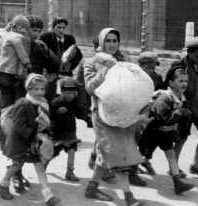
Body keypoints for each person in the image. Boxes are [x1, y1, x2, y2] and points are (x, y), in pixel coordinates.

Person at [83, 28, 146, 206]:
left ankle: (92, 187)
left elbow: (135, 83)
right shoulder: (91, 61)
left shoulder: (125, 59)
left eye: (115, 41)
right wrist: (104, 70)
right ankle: (128, 197)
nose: (112, 44)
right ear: (102, 42)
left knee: (107, 152)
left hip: (123, 113)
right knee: (117, 153)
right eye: (108, 41)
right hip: (102, 114)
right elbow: (89, 88)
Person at [0, 73, 63, 206]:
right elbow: (19, 127)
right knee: (17, 165)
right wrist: (36, 135)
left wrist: (44, 132)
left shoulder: (42, 104)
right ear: (28, 89)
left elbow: (43, 123)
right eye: (36, 89)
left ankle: (48, 196)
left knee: (39, 167)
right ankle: (3, 185)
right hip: (19, 142)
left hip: (32, 142)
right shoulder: (22, 104)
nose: (40, 92)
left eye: (42, 89)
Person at [138, 66, 195, 194]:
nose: (184, 84)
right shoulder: (165, 98)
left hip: (166, 133)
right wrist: (180, 113)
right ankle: (130, 172)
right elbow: (164, 118)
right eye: (180, 81)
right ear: (171, 83)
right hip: (153, 131)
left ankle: (177, 183)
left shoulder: (181, 98)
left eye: (186, 81)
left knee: (171, 155)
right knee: (141, 152)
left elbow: (175, 119)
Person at [170, 36, 198, 180]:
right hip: (185, 108)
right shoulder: (179, 64)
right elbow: (169, 83)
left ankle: (196, 164)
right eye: (196, 55)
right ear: (188, 52)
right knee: (181, 138)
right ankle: (174, 167)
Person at [133, 52, 164, 176]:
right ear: (140, 65)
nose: (152, 70)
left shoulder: (157, 77)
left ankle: (142, 160)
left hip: (149, 111)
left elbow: (161, 92)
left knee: (148, 137)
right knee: (133, 137)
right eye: (148, 67)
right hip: (134, 110)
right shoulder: (133, 76)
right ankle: (130, 165)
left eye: (153, 67)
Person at [40, 17, 83, 102]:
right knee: (50, 96)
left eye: (63, 28)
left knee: (66, 97)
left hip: (66, 73)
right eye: (59, 27)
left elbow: (78, 55)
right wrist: (53, 68)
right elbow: (43, 55)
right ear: (53, 27)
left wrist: (69, 65)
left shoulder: (70, 39)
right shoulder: (46, 37)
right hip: (51, 73)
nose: (61, 30)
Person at [49, 77, 81, 182]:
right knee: (51, 154)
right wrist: (58, 113)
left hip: (70, 131)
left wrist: (88, 117)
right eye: (69, 93)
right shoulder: (55, 103)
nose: (72, 96)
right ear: (62, 91)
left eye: (74, 93)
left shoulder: (75, 101)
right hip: (57, 133)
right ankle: (41, 167)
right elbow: (51, 117)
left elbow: (78, 113)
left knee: (72, 151)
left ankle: (69, 172)